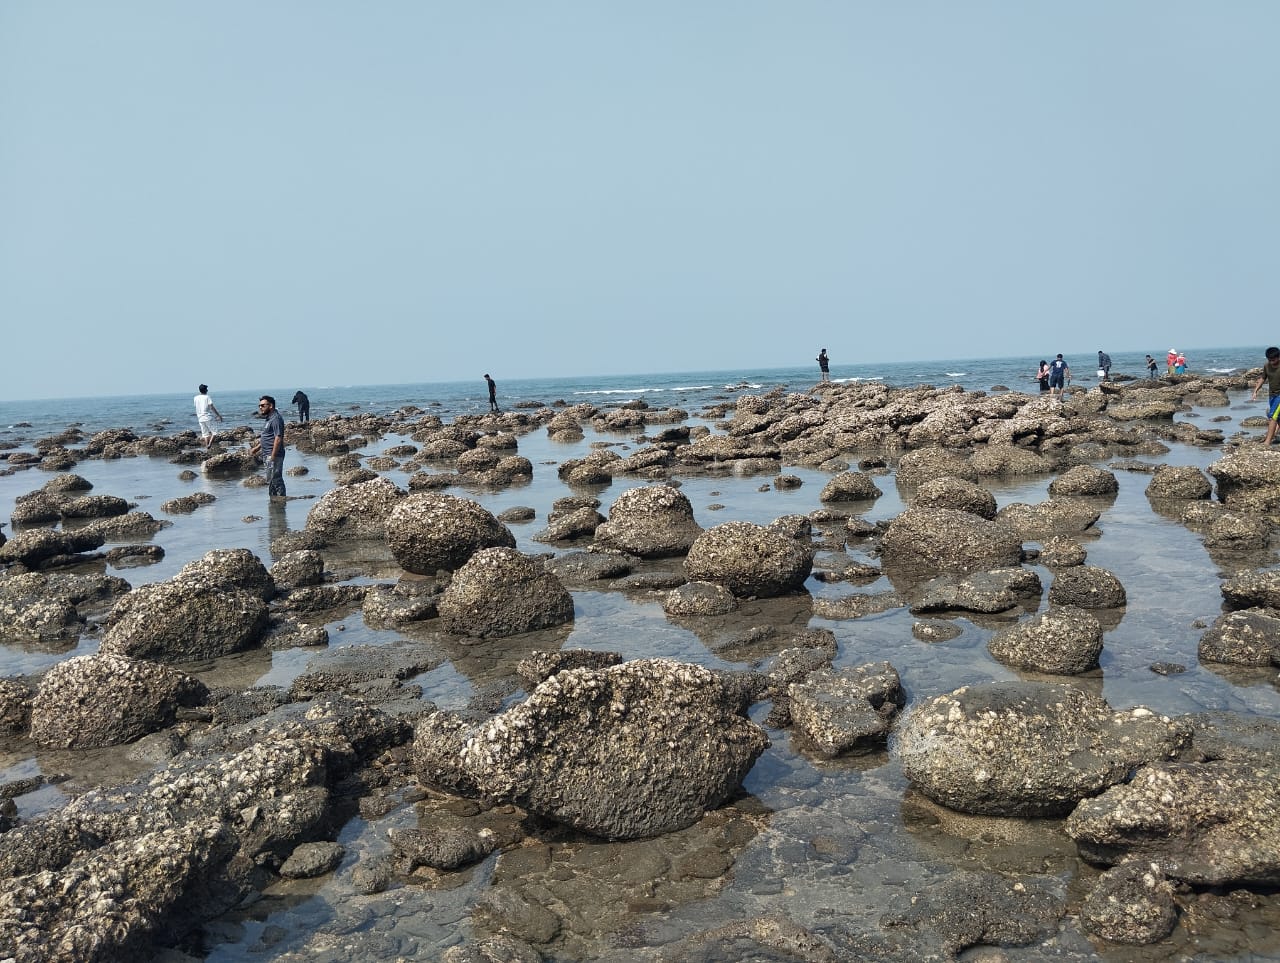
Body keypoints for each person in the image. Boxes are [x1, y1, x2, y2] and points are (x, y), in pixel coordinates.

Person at [250, 395, 287, 498]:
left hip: (274, 455)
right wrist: (257, 448)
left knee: (276, 478)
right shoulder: (269, 418)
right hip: (267, 454)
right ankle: (273, 501)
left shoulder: (276, 418)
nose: (260, 408)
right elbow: (268, 437)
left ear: (270, 406)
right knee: (271, 479)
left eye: (262, 405)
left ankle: (280, 501)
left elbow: (278, 438)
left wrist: (273, 456)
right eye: (259, 406)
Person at [1251, 347, 1280, 445]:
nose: (1271, 362)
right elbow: (1263, 378)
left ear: (1278, 357)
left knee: (1273, 416)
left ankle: (1267, 442)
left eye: (1273, 360)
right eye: (1269, 360)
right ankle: (1275, 435)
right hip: (1272, 395)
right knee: (1277, 417)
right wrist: (1255, 391)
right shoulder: (1267, 366)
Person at [193, 384, 223, 449]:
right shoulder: (207, 397)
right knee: (214, 432)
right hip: (207, 417)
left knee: (205, 434)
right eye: (206, 389)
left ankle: (207, 447)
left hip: (200, 418)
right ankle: (209, 445)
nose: (207, 390)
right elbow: (211, 407)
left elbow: (196, 407)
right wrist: (218, 415)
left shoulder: (195, 398)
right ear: (205, 390)